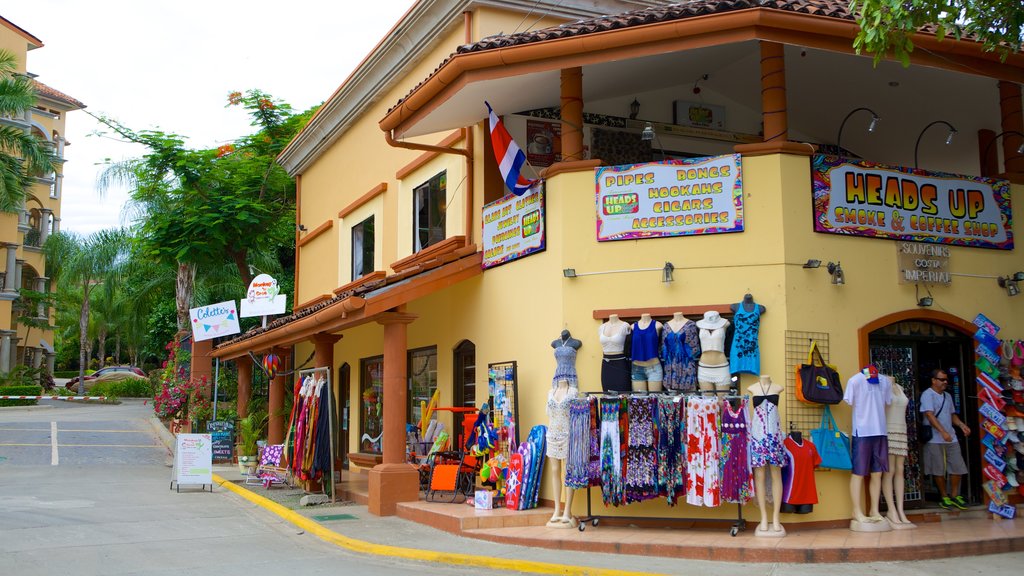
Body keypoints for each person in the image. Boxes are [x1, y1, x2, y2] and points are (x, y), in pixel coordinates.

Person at [843, 365, 892, 529]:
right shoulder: (855, 381)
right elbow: (849, 400)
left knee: (877, 473)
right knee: (858, 472)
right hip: (862, 432)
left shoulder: (885, 382)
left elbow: (887, 402)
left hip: (880, 431)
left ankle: (874, 510)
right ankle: (856, 511)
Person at [920, 368, 971, 510]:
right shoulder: (927, 395)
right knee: (938, 469)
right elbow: (929, 415)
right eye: (942, 379)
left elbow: (952, 414)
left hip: (951, 437)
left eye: (946, 379)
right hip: (935, 438)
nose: (945, 382)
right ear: (933, 380)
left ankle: (954, 495)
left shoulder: (947, 396)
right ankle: (944, 496)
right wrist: (942, 431)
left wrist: (961, 425)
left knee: (957, 466)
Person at [547, 330, 581, 527]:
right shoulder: (551, 391)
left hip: (567, 434)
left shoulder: (573, 391)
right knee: (554, 470)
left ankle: (568, 510)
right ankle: (557, 509)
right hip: (552, 433)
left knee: (568, 471)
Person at [748, 374, 787, 536]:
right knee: (760, 475)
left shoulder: (778, 387)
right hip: (758, 436)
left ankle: (776, 518)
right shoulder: (752, 388)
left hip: (775, 437)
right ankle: (763, 517)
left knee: (776, 474)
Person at [881, 374, 915, 528]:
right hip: (888, 430)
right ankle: (891, 509)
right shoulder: (883, 387)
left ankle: (901, 510)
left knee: (900, 470)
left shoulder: (899, 388)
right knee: (890, 470)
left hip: (901, 431)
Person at [696, 311, 731, 393]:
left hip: (721, 367)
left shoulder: (725, 324)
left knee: (722, 401)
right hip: (704, 367)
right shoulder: (699, 326)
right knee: (707, 402)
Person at [631, 313, 663, 392]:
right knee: (639, 400)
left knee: (654, 399)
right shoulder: (632, 327)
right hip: (637, 368)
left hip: (654, 368)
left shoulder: (658, 325)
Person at [599, 314, 631, 393]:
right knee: (607, 394)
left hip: (620, 362)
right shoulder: (601, 327)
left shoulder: (625, 325)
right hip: (606, 364)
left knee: (623, 393)